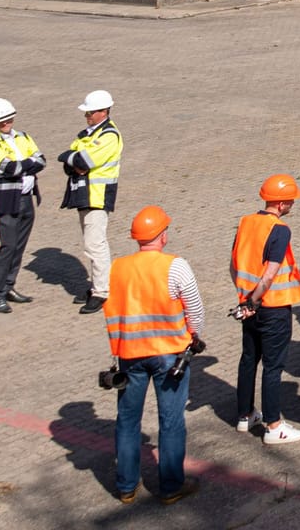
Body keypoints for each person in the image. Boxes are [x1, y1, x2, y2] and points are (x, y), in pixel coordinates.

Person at [104, 206, 204, 505]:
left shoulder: (118, 267)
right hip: (169, 354)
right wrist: (195, 336)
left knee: (127, 419)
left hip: (129, 354)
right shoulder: (176, 266)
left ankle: (126, 486)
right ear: (163, 236)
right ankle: (171, 486)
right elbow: (194, 309)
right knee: (171, 420)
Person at [232, 174, 300, 444]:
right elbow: (270, 273)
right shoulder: (280, 229)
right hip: (271, 307)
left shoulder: (245, 222)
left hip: (247, 305)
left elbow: (233, 265)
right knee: (273, 367)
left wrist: (245, 301)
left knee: (248, 359)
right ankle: (273, 425)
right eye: (291, 200)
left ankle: (245, 415)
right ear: (283, 202)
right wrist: (256, 299)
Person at [59, 90, 123, 314]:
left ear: (103, 111)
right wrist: (72, 160)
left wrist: (73, 159)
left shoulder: (108, 136)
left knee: (95, 245)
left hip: (98, 195)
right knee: (91, 244)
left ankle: (101, 292)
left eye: (90, 111)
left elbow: (82, 159)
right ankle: (98, 286)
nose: (86, 114)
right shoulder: (87, 134)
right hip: (85, 194)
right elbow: (70, 161)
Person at [0, 97, 46, 314]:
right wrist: (28, 164)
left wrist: (23, 165)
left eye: (8, 118)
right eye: (1, 121)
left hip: (27, 198)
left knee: (19, 246)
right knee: (7, 247)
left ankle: (9, 286)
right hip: (6, 202)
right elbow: (10, 169)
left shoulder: (23, 137)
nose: (5, 123)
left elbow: (42, 161)